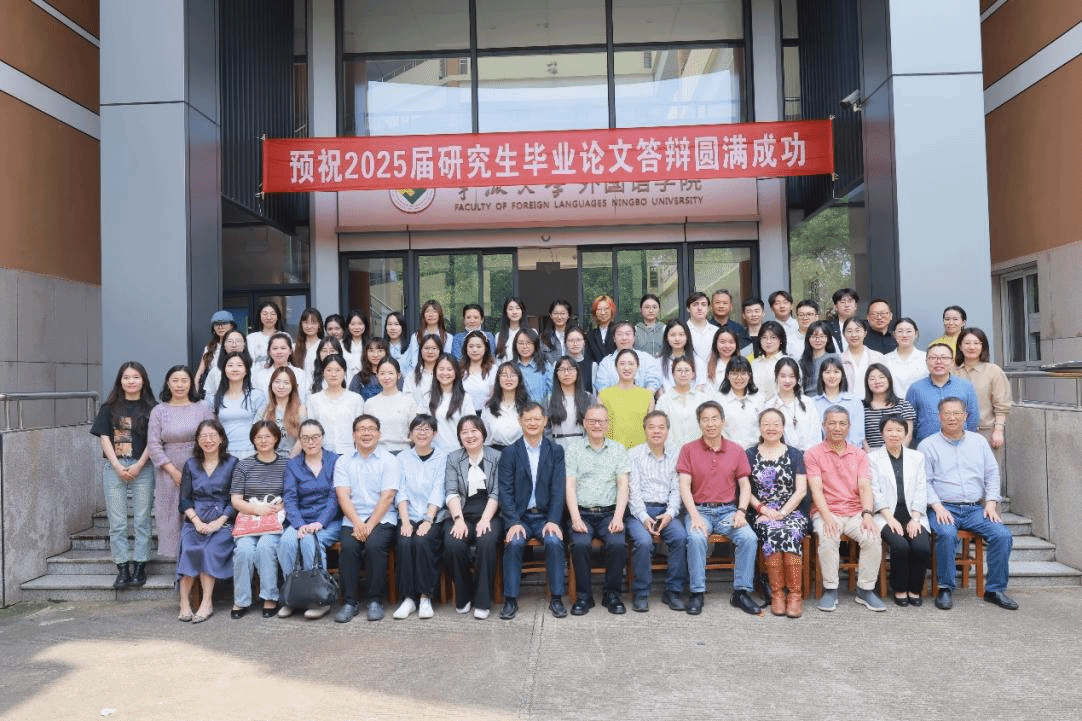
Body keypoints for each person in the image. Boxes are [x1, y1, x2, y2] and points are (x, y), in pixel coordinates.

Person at [919, 397, 1017, 611]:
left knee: (1002, 535)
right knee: (946, 534)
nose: (952, 418)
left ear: (965, 416)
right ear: (939, 417)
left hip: (974, 508)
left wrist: (991, 503)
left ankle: (995, 589)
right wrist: (937, 506)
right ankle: (945, 588)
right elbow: (924, 481)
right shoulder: (927, 445)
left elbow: (992, 474)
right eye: (947, 413)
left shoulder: (978, 442)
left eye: (957, 413)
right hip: (944, 507)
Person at [677, 400, 761, 616]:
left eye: (714, 418)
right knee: (696, 538)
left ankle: (741, 592)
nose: (710, 424)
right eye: (705, 419)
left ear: (723, 421)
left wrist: (741, 512)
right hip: (700, 510)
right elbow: (684, 486)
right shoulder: (688, 449)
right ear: (699, 423)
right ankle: (697, 593)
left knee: (748, 538)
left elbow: (745, 485)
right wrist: (694, 515)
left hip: (728, 511)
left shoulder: (735, 450)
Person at [804, 406, 885, 612]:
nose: (837, 428)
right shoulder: (813, 454)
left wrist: (867, 515)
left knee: (872, 537)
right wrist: (827, 517)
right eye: (832, 423)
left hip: (856, 511)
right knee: (828, 536)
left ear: (849, 426)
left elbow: (865, 487)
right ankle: (830, 589)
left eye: (842, 423)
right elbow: (816, 490)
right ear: (823, 425)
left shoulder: (859, 455)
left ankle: (865, 589)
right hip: (827, 510)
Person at [498, 402, 569, 620]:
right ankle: (510, 600)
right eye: (528, 419)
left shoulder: (555, 451)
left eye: (537, 419)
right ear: (520, 421)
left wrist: (554, 520)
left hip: (546, 517)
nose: (532, 423)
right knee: (514, 543)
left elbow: (558, 489)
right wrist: (513, 522)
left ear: (545, 421)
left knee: (554, 542)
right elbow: (505, 491)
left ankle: (556, 598)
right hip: (520, 517)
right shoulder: (510, 452)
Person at [91, 361, 156, 589]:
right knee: (117, 522)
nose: (131, 381)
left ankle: (140, 566)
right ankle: (122, 568)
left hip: (143, 467)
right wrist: (117, 465)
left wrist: (139, 465)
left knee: (142, 520)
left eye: (136, 377)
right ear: (120, 380)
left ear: (143, 380)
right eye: (127, 377)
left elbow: (154, 441)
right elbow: (104, 438)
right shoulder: (109, 407)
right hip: (114, 468)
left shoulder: (153, 408)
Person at [333, 414, 400, 623]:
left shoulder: (389, 460)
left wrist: (369, 525)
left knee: (374, 546)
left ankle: (375, 600)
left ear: (379, 434)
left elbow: (387, 496)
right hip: (353, 518)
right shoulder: (343, 461)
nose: (366, 433)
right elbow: (342, 495)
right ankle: (350, 602)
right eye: (361, 429)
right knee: (349, 548)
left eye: (371, 429)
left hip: (382, 518)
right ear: (354, 435)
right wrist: (358, 523)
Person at [565, 404, 630, 616]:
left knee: (617, 544)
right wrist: (575, 519)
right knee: (580, 544)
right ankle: (584, 596)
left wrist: (618, 517)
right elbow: (570, 487)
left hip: (609, 514)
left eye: (601, 421)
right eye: (592, 421)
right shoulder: (574, 450)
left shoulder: (618, 450)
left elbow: (623, 486)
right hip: (582, 513)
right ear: (584, 423)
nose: (597, 425)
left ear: (608, 424)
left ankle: (612, 594)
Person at [148, 366, 215, 559]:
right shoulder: (159, 411)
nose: (180, 385)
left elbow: (213, 436)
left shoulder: (202, 407)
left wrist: (203, 467)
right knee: (170, 516)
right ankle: (179, 565)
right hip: (168, 470)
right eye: (175, 380)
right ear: (168, 383)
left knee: (198, 514)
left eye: (184, 380)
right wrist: (173, 472)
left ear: (191, 383)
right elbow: (153, 444)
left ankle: (199, 563)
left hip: (200, 467)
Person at [277, 419, 341, 619]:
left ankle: (319, 599)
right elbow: (290, 498)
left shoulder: (335, 461)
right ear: (300, 440)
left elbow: (335, 497)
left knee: (309, 541)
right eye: (305, 438)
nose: (310, 442)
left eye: (315, 437)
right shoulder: (293, 465)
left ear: (322, 438)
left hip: (329, 520)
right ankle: (292, 598)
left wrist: (319, 523)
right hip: (300, 520)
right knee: (286, 543)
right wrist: (300, 524)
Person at [746, 407, 808, 617]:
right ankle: (777, 594)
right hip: (761, 511)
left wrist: (782, 512)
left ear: (783, 427)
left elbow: (801, 491)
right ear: (760, 427)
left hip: (792, 510)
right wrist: (764, 510)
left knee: (790, 531)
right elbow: (746, 490)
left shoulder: (795, 454)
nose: (771, 428)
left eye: (776, 424)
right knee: (773, 532)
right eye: (766, 424)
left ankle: (795, 595)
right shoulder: (750, 454)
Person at [177, 419, 238, 623]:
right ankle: (184, 603)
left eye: (212, 435)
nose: (208, 440)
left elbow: (236, 499)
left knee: (208, 550)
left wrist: (220, 522)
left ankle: (206, 602)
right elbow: (184, 500)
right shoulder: (190, 464)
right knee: (189, 549)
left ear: (221, 439)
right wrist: (196, 522)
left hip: (223, 521)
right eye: (203, 436)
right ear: (197, 440)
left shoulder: (232, 463)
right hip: (195, 520)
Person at [626, 411, 688, 612]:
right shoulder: (633, 454)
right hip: (639, 512)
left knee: (680, 538)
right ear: (644, 430)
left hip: (666, 511)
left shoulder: (676, 455)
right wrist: (644, 517)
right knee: (643, 542)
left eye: (661, 427)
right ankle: (641, 593)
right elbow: (632, 491)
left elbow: (677, 489)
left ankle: (673, 591)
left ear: (667, 431)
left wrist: (670, 514)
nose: (656, 431)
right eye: (651, 427)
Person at [444, 415, 503, 619]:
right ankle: (464, 594)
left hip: (490, 513)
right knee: (453, 543)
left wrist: (485, 519)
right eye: (464, 432)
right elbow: (451, 491)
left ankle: (482, 601)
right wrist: (458, 520)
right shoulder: (453, 458)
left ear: (483, 433)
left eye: (474, 431)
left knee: (486, 542)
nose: (469, 436)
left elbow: (496, 492)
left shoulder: (497, 457)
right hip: (461, 513)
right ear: (459, 437)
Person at [229, 421, 288, 619]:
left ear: (276, 438)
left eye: (267, 436)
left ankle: (270, 597)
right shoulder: (244, 465)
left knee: (265, 547)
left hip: (274, 522)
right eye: (258, 437)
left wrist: (281, 505)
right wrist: (257, 509)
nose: (263, 441)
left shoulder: (286, 464)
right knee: (243, 551)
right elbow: (236, 499)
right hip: (249, 520)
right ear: (253, 440)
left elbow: (292, 493)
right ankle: (241, 600)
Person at [869, 415, 930, 607]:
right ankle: (900, 589)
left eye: (898, 430)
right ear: (882, 433)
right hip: (886, 515)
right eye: (889, 430)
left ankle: (915, 589)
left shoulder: (917, 457)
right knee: (901, 546)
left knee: (921, 547)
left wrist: (915, 518)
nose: (894, 434)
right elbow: (875, 491)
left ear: (905, 433)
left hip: (913, 514)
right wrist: (890, 519)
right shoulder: (872, 458)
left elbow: (921, 488)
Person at [392, 415, 447, 620]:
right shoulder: (402, 458)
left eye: (427, 429)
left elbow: (439, 489)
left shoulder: (442, 458)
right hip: (408, 514)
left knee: (423, 541)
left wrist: (428, 520)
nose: (422, 433)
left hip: (434, 516)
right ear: (410, 433)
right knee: (405, 542)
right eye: (418, 429)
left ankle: (425, 597)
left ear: (435, 433)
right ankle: (408, 599)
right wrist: (405, 521)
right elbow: (400, 490)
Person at [952, 328, 1011, 470]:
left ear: (983, 346)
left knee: (989, 474)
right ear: (960, 346)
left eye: (976, 343)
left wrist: (998, 430)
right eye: (967, 343)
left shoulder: (993, 371)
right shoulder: (953, 372)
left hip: (986, 431)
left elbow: (1002, 404)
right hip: (956, 433)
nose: (971, 347)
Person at [905, 343, 979, 445]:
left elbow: (972, 418)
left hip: (960, 444)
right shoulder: (915, 389)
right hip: (926, 446)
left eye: (944, 358)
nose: (939, 362)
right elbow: (910, 422)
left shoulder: (966, 387)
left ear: (952, 362)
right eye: (933, 358)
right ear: (926, 361)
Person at [305, 354, 365, 455]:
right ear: (323, 372)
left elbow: (360, 429)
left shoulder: (356, 399)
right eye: (329, 370)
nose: (333, 374)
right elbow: (311, 429)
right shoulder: (313, 400)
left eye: (338, 370)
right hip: (322, 454)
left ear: (344, 372)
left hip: (349, 453)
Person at [599, 349, 655, 449]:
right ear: (616, 367)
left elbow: (650, 428)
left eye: (631, 364)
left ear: (637, 367)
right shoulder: (604, 396)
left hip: (639, 453)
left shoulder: (647, 396)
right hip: (611, 452)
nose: (626, 368)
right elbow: (599, 428)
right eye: (622, 364)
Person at [364, 357, 419, 454]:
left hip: (404, 453)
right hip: (378, 453)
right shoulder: (370, 403)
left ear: (398, 375)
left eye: (390, 373)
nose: (386, 377)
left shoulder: (409, 401)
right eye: (382, 373)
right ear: (377, 375)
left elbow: (415, 432)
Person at [763, 358, 819, 451]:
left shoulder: (807, 403)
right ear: (776, 376)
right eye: (783, 376)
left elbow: (816, 435)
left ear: (797, 378)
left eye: (792, 376)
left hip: (808, 454)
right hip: (780, 455)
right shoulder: (770, 405)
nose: (787, 380)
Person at [655, 357, 709, 451]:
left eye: (687, 370)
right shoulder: (664, 401)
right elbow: (658, 428)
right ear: (673, 374)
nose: (683, 374)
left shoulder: (703, 399)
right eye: (679, 370)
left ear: (693, 374)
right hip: (671, 453)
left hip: (698, 452)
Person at [594, 321, 662, 393]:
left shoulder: (647, 359)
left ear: (634, 337)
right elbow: (602, 387)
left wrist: (642, 397)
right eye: (619, 334)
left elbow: (654, 382)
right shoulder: (606, 363)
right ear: (614, 339)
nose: (624, 338)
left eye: (628, 334)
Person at [812, 357, 865, 448]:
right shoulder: (812, 403)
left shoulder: (854, 401)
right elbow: (812, 433)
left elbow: (857, 434)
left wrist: (844, 451)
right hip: (821, 452)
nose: (832, 376)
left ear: (842, 375)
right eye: (827, 372)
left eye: (836, 372)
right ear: (821, 375)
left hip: (850, 452)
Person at [863, 363, 915, 449]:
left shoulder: (903, 405)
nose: (877, 381)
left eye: (881, 377)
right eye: (872, 379)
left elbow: (908, 435)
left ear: (889, 380)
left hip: (899, 452)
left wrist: (897, 453)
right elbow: (860, 436)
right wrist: (869, 454)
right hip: (870, 453)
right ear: (867, 382)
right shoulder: (861, 407)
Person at [717, 356, 764, 449]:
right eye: (734, 373)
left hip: (755, 450)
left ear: (749, 375)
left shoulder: (759, 398)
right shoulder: (719, 399)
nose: (739, 378)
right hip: (729, 450)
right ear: (728, 375)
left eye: (743, 373)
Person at [424, 354, 468, 453]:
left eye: (449, 369)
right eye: (441, 369)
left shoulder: (465, 398)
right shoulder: (427, 397)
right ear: (435, 371)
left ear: (456, 372)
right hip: (433, 454)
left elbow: (470, 427)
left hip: (458, 453)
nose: (445, 373)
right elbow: (422, 426)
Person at [481, 362, 528, 450]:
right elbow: (486, 439)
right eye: (504, 375)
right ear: (498, 379)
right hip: (496, 452)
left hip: (522, 452)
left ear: (519, 379)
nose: (508, 378)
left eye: (513, 375)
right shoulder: (489, 407)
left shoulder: (528, 406)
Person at [253, 332, 310, 404]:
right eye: (275, 348)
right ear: (269, 352)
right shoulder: (260, 375)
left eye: (283, 348)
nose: (279, 352)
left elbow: (304, 399)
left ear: (290, 351)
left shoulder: (300, 374)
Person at [547, 355, 589, 450]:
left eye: (570, 369)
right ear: (556, 374)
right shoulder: (549, 400)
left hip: (583, 447)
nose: (566, 373)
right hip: (557, 447)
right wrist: (553, 447)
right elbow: (546, 429)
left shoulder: (588, 398)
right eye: (562, 370)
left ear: (577, 372)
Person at [261, 366, 305, 456]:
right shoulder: (264, 410)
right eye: (277, 382)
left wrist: (290, 459)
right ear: (271, 385)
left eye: (286, 383)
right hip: (269, 459)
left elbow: (303, 437)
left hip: (294, 459)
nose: (281, 386)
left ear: (293, 386)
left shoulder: (300, 409)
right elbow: (258, 436)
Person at [840, 318, 884, 402]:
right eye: (849, 331)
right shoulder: (839, 360)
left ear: (865, 333)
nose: (853, 335)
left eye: (857, 331)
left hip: (874, 404)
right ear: (844, 334)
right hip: (847, 405)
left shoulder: (878, 357)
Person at [195, 310, 236, 395]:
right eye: (217, 324)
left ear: (231, 325)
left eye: (224, 323)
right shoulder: (209, 348)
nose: (220, 327)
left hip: (234, 388)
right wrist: (195, 392)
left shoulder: (238, 345)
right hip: (213, 390)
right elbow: (200, 373)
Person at [884, 317, 926, 397]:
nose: (904, 335)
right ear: (894, 334)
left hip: (919, 403)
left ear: (916, 334)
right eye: (900, 331)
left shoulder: (925, 358)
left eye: (909, 331)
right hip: (893, 403)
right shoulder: (885, 359)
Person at [657, 319, 704, 392]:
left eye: (681, 335)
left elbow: (699, 387)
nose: (677, 339)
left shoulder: (697, 361)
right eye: (673, 335)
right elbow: (660, 389)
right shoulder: (658, 362)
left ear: (687, 337)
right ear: (666, 337)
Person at [201, 328, 248, 398]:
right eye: (230, 341)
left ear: (244, 345)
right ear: (224, 346)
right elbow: (209, 397)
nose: (234, 345)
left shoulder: (254, 369)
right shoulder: (215, 371)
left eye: (238, 341)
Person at [799, 320, 841, 396]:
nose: (818, 340)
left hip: (829, 399)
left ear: (828, 338)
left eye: (822, 336)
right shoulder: (802, 362)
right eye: (814, 336)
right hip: (809, 400)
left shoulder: (834, 358)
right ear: (808, 338)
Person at [459, 329, 497, 413]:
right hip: (463, 414)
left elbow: (495, 397)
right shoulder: (459, 369)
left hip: (486, 414)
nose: (474, 350)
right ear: (466, 348)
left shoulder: (493, 370)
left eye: (479, 346)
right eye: (471, 346)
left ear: (485, 348)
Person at [749, 320, 789, 397]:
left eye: (773, 337)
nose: (768, 342)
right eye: (764, 337)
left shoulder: (788, 363)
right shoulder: (754, 364)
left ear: (781, 340)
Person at [512, 328, 553, 404]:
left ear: (535, 345)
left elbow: (551, 391)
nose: (525, 346)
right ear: (515, 345)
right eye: (521, 343)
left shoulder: (545, 366)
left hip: (541, 409)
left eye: (529, 343)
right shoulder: (510, 367)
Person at [403, 334, 442, 405]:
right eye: (426, 348)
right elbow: (406, 398)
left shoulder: (445, 374)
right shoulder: (412, 375)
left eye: (434, 348)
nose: (430, 352)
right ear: (420, 351)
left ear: (440, 351)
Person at [247, 301, 284, 368]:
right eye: (265, 314)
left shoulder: (285, 336)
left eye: (272, 314)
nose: (269, 317)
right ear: (259, 316)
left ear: (277, 316)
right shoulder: (251, 338)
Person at [686, 292, 718, 365]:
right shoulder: (681, 331)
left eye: (703, 305)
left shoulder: (716, 331)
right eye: (695, 305)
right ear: (688, 308)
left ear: (709, 308)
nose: (699, 308)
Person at [293, 307, 324, 377]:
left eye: (313, 323)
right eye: (306, 322)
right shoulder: (294, 347)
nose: (309, 326)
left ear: (319, 325)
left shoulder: (324, 346)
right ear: (301, 324)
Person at [585, 295, 616, 364]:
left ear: (612, 310)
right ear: (595, 312)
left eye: (606, 309)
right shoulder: (590, 335)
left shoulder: (618, 331)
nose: (603, 312)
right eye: (599, 309)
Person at [540, 299, 573, 365]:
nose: (559, 317)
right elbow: (540, 360)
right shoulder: (544, 337)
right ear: (551, 315)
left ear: (568, 315)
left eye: (563, 313)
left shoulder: (575, 335)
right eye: (556, 313)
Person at [495, 297, 527, 362]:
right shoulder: (499, 336)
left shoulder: (531, 333)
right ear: (506, 312)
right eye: (510, 309)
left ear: (522, 311)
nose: (514, 312)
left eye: (518, 308)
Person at [564, 326, 594, 394]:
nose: (575, 344)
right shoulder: (558, 364)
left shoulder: (593, 366)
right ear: (565, 343)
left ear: (584, 342)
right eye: (571, 340)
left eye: (578, 340)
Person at [384, 311, 413, 377]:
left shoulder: (410, 347)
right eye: (389, 324)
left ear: (403, 327)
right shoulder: (381, 348)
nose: (392, 328)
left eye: (396, 324)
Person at [342, 309, 371, 374]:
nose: (356, 327)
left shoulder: (371, 344)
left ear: (365, 325)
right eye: (353, 324)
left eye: (360, 324)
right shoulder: (341, 344)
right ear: (348, 326)